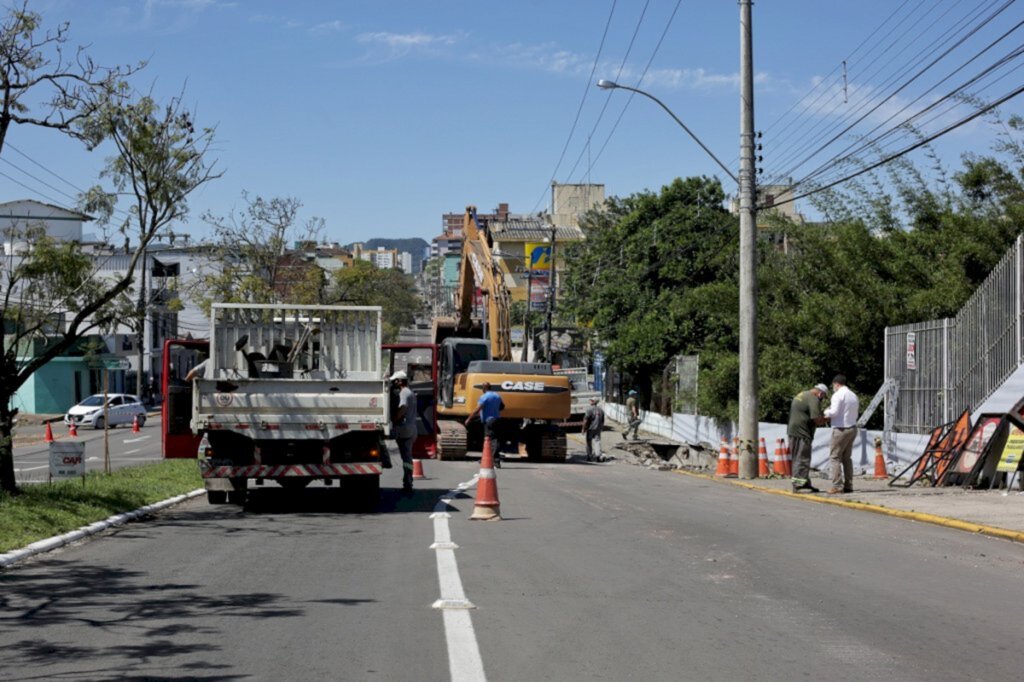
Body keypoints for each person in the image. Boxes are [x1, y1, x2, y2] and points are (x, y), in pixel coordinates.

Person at [787, 383, 829, 493]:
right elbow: (817, 420)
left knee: (798, 458)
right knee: (802, 459)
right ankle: (797, 485)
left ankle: (805, 482)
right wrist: (828, 418)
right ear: (820, 393)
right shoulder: (813, 399)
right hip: (803, 434)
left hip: (793, 431)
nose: (822, 399)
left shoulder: (802, 394)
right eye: (823, 396)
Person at [824, 374, 860, 494]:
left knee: (835, 457)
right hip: (852, 428)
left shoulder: (838, 395)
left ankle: (837, 485)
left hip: (841, 429)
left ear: (836, 384)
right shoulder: (853, 395)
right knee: (847, 458)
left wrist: (826, 411)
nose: (833, 387)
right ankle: (849, 485)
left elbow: (834, 412)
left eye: (833, 385)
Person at [466, 381, 505, 468]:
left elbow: (477, 409)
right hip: (497, 419)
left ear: (484, 388)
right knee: (493, 439)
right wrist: (493, 409)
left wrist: (469, 419)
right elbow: (502, 407)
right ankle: (487, 458)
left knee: (490, 440)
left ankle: (495, 461)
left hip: (489, 420)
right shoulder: (497, 395)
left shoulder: (484, 397)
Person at [390, 370, 417, 493]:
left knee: (406, 457)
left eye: (395, 381)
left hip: (405, 428)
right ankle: (408, 480)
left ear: (400, 381)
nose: (394, 383)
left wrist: (394, 419)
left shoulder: (404, 393)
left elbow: (403, 408)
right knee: (407, 457)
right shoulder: (410, 392)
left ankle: (408, 480)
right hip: (411, 428)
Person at [582, 397, 605, 462]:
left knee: (589, 442)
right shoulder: (601, 410)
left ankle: (589, 456)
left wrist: (583, 429)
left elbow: (585, 420)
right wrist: (601, 428)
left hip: (590, 428)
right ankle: (598, 455)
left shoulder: (589, 410)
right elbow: (602, 421)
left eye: (591, 400)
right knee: (597, 441)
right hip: (598, 429)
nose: (590, 401)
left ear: (594, 402)